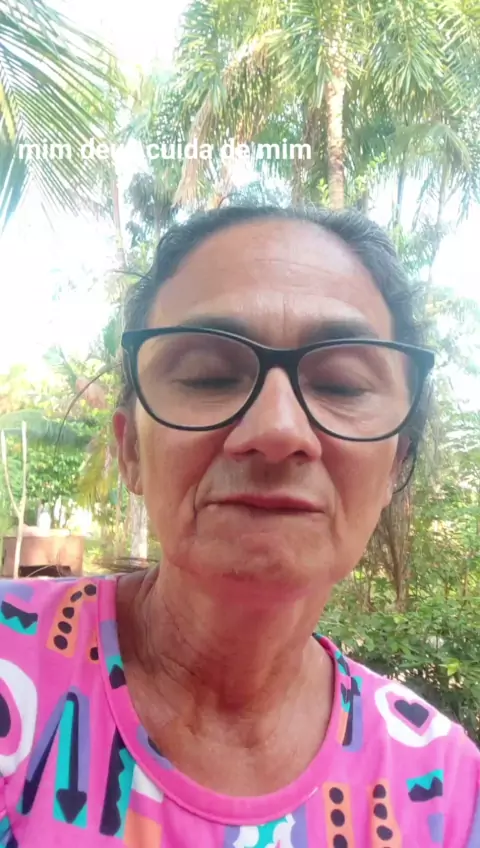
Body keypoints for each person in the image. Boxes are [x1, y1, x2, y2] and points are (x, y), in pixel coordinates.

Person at [0, 205, 478, 847]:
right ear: (131, 448)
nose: (277, 429)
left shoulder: (448, 792)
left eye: (341, 385)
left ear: (396, 464)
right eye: (211, 377)